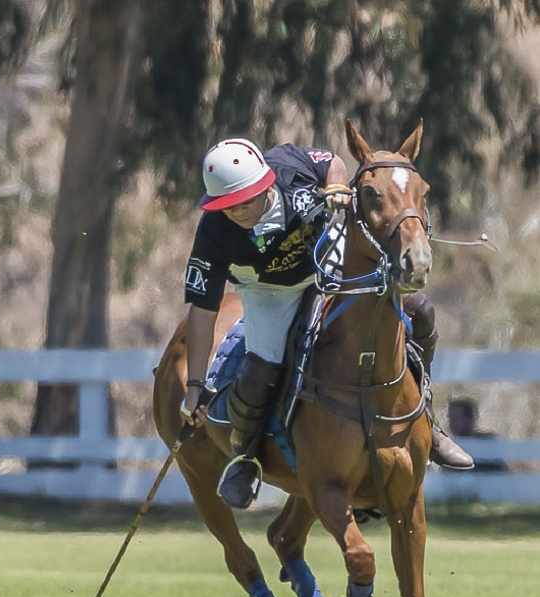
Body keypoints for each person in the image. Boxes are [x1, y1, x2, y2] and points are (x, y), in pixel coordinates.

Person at [179, 137, 473, 510]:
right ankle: (244, 455)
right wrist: (194, 384)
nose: (239, 210)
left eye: (247, 199)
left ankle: (428, 419)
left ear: (267, 182)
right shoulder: (213, 233)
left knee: (419, 311)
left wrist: (335, 186)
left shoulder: (288, 165)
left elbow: (332, 161)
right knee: (262, 366)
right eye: (229, 205)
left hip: (329, 258)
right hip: (268, 290)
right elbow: (202, 312)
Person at [447, 397, 507, 472]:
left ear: (470, 420)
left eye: (457, 418)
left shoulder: (486, 445)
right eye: (450, 418)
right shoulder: (449, 448)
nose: (452, 423)